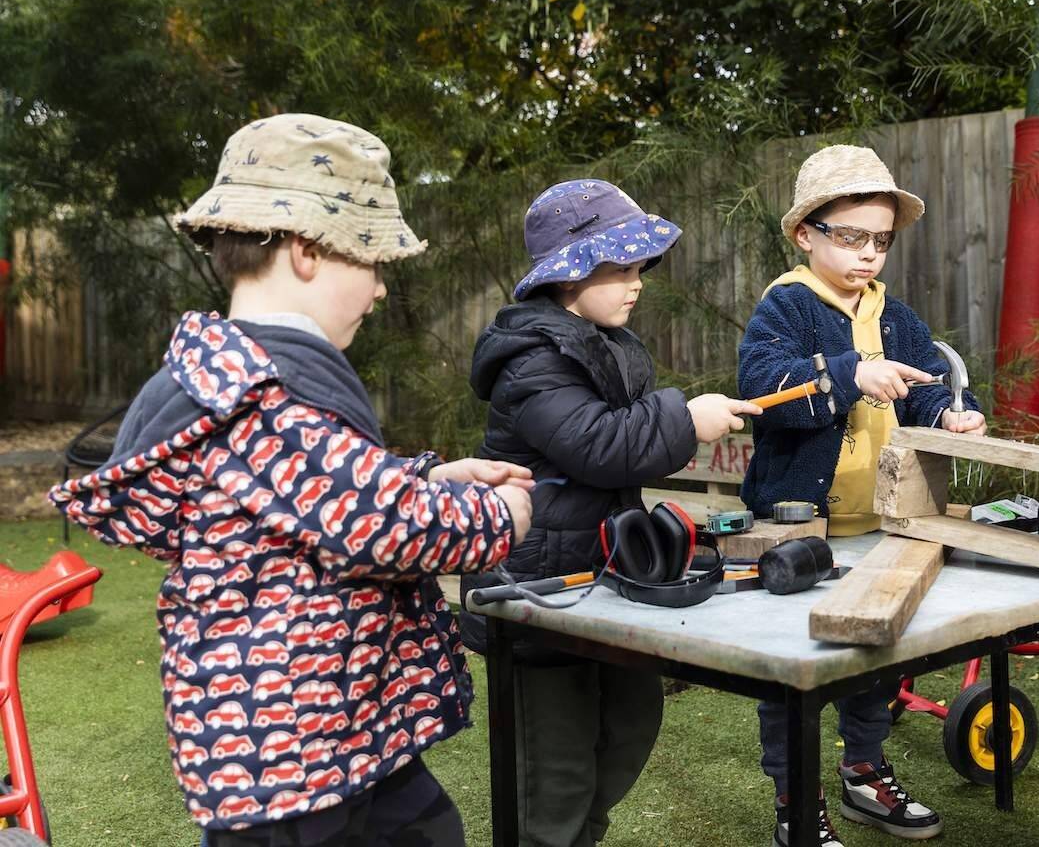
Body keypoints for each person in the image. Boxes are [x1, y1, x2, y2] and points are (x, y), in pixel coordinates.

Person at [50, 114, 534, 844]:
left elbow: (314, 494)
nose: (377, 293)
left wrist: (428, 474)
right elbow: (392, 525)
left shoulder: (251, 383)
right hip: (287, 758)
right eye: (372, 264)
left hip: (338, 732)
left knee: (430, 830)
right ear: (307, 251)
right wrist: (499, 513)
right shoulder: (258, 395)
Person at [458, 179, 759, 847]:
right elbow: (600, 447)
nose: (638, 282)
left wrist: (674, 421)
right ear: (569, 276)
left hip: (604, 580)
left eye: (638, 268)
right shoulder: (531, 358)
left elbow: (625, 448)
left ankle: (579, 838)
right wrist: (687, 416)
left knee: (630, 725)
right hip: (536, 593)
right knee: (555, 774)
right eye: (620, 268)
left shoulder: (601, 343)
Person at [739, 145, 984, 846]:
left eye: (881, 240)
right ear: (805, 234)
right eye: (850, 237)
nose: (868, 254)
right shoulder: (786, 306)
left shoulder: (894, 313)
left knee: (879, 655)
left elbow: (929, 382)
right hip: (797, 524)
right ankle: (796, 803)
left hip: (883, 521)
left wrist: (947, 413)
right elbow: (766, 390)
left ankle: (863, 771)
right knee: (797, 669)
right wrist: (851, 374)